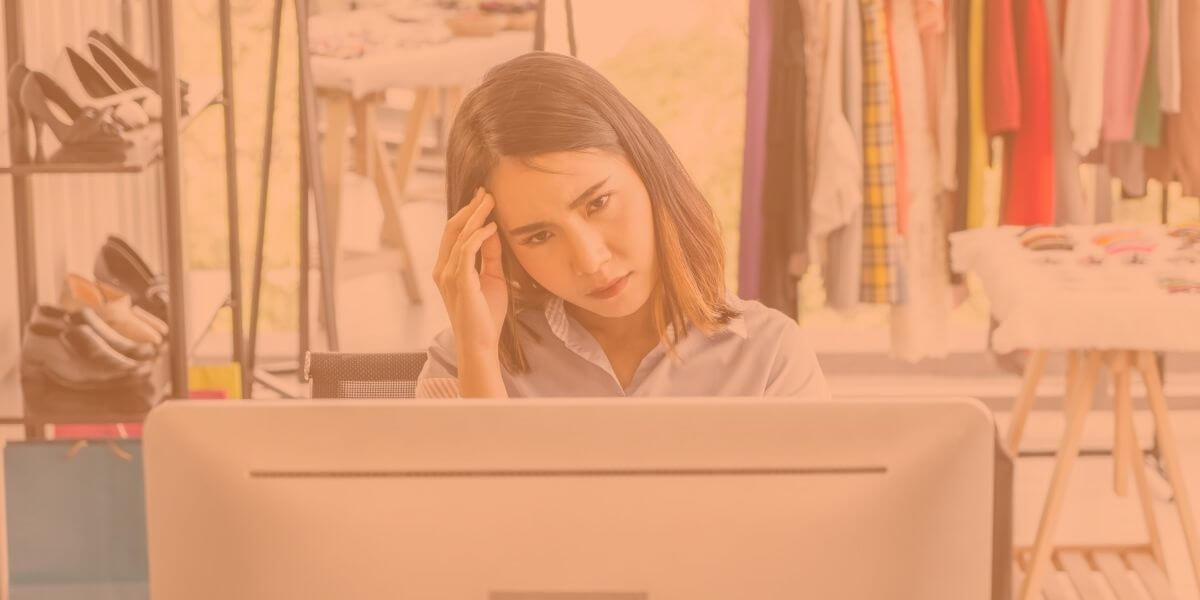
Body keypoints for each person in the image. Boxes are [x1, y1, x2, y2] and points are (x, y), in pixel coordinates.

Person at [416, 52, 829, 399]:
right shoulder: (462, 359)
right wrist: (480, 355)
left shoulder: (770, 358)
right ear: (495, 243)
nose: (590, 260)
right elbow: (470, 498)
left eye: (598, 203)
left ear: (650, 173)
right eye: (539, 236)